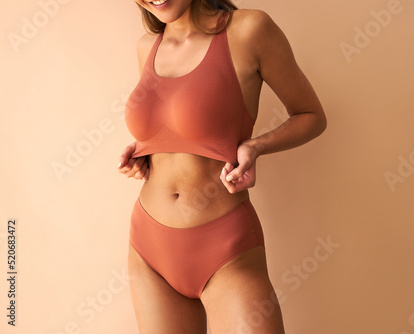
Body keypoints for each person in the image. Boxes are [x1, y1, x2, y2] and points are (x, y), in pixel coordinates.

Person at [117, 0, 327, 332]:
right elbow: (171, 125)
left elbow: (311, 116)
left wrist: (255, 147)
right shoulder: (147, 46)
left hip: (225, 249)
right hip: (149, 247)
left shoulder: (249, 29)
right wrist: (142, 152)